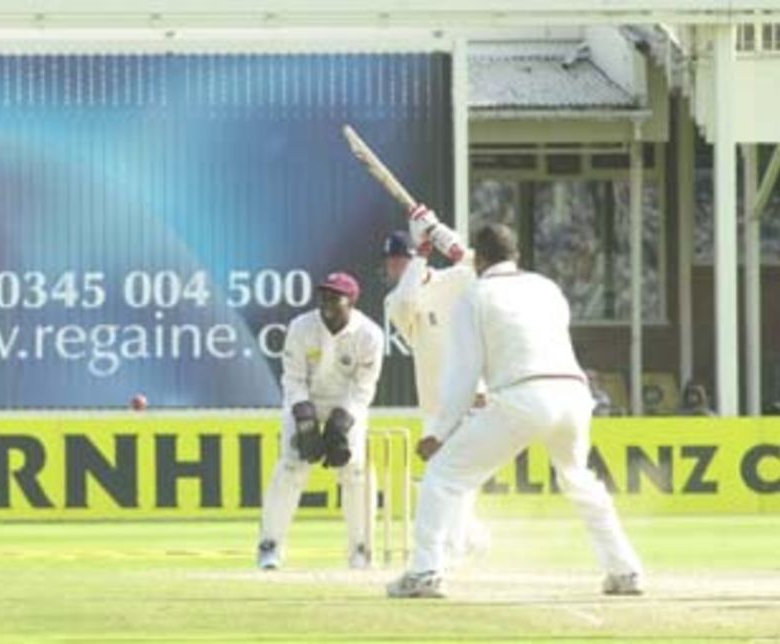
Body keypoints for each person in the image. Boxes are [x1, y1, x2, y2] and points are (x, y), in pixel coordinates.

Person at [387, 223, 643, 599]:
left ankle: (425, 572)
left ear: (482, 258)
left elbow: (463, 375)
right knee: (578, 479)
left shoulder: (474, 296)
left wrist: (438, 434)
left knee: (442, 476)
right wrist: (457, 250)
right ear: (517, 255)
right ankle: (625, 569)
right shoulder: (547, 287)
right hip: (573, 395)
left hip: (522, 397)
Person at [257, 272, 386, 570]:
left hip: (347, 405)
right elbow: (293, 378)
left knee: (355, 473)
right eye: (324, 295)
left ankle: (361, 551)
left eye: (335, 297)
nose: (327, 302)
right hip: (306, 401)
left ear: (351, 301)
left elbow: (364, 387)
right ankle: (270, 547)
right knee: (290, 469)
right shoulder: (301, 327)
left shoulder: (370, 334)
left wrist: (341, 422)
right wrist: (305, 420)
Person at [383, 207, 490, 562]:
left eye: (399, 260)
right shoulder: (395, 302)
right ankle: (471, 538)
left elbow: (488, 271)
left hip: (473, 396)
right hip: (435, 405)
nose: (394, 267)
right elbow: (409, 299)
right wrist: (422, 254)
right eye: (391, 263)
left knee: (453, 475)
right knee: (445, 478)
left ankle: (453, 549)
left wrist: (445, 237)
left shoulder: (455, 281)